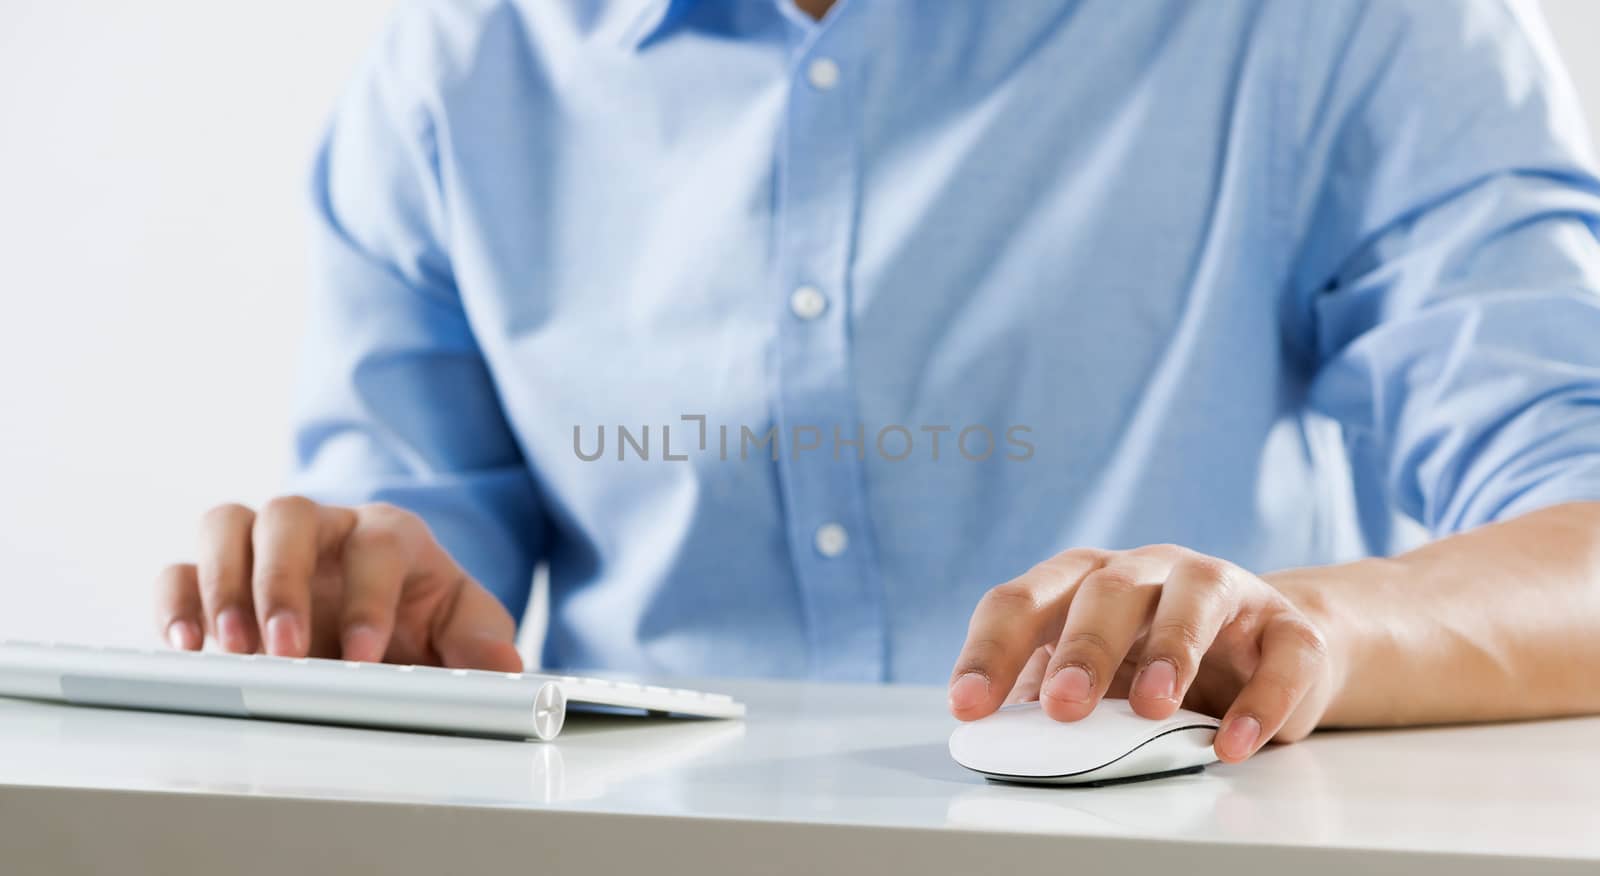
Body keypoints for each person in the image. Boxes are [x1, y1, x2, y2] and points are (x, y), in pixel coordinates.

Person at [155, 0, 1600, 764]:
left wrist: (1315, 638)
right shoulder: (457, 65)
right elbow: (408, 577)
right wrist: (348, 605)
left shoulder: (1340, 22)